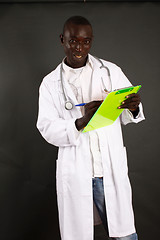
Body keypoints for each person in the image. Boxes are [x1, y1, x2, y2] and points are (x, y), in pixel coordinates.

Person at [37, 16, 145, 240]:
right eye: (73, 41)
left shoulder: (110, 71)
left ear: (91, 41)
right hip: (78, 173)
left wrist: (134, 107)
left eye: (86, 42)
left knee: (124, 235)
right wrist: (80, 122)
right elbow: (46, 127)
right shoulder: (50, 83)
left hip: (109, 170)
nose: (79, 48)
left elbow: (128, 112)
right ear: (62, 40)